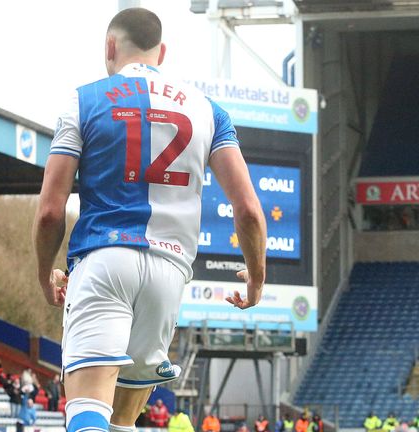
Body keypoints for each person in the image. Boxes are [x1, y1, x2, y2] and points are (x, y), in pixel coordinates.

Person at [32, 8, 267, 432]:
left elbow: (51, 211)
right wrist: (256, 278)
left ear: (110, 46)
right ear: (163, 52)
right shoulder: (208, 111)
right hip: (169, 274)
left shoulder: (83, 100)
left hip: (103, 262)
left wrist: (43, 272)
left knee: (87, 410)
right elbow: (249, 209)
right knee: (124, 420)